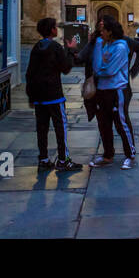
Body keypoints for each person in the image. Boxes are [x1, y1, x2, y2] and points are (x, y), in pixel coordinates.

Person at [25, 17, 81, 172]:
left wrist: (31, 96)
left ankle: (43, 159)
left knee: (41, 128)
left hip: (39, 97)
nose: (57, 29)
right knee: (60, 128)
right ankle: (63, 160)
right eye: (55, 27)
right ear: (51, 30)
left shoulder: (36, 47)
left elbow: (29, 73)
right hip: (54, 94)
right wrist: (71, 50)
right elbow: (66, 68)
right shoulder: (55, 47)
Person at [90, 16, 136, 169]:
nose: (100, 32)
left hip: (116, 91)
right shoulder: (103, 45)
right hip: (102, 90)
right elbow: (96, 66)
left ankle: (130, 155)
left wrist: (100, 70)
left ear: (110, 31)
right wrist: (97, 44)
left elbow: (109, 70)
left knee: (121, 124)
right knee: (104, 125)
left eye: (103, 29)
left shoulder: (121, 47)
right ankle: (108, 155)